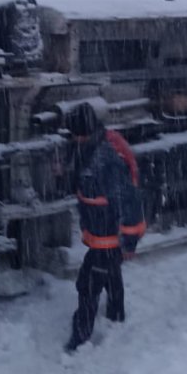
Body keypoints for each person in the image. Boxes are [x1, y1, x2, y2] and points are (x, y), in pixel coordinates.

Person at [63, 99, 146, 352]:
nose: (72, 138)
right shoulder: (88, 147)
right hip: (100, 233)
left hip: (109, 236)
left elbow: (129, 201)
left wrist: (129, 241)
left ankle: (80, 338)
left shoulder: (105, 160)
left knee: (87, 284)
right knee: (110, 272)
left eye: (74, 134)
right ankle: (116, 314)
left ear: (84, 132)